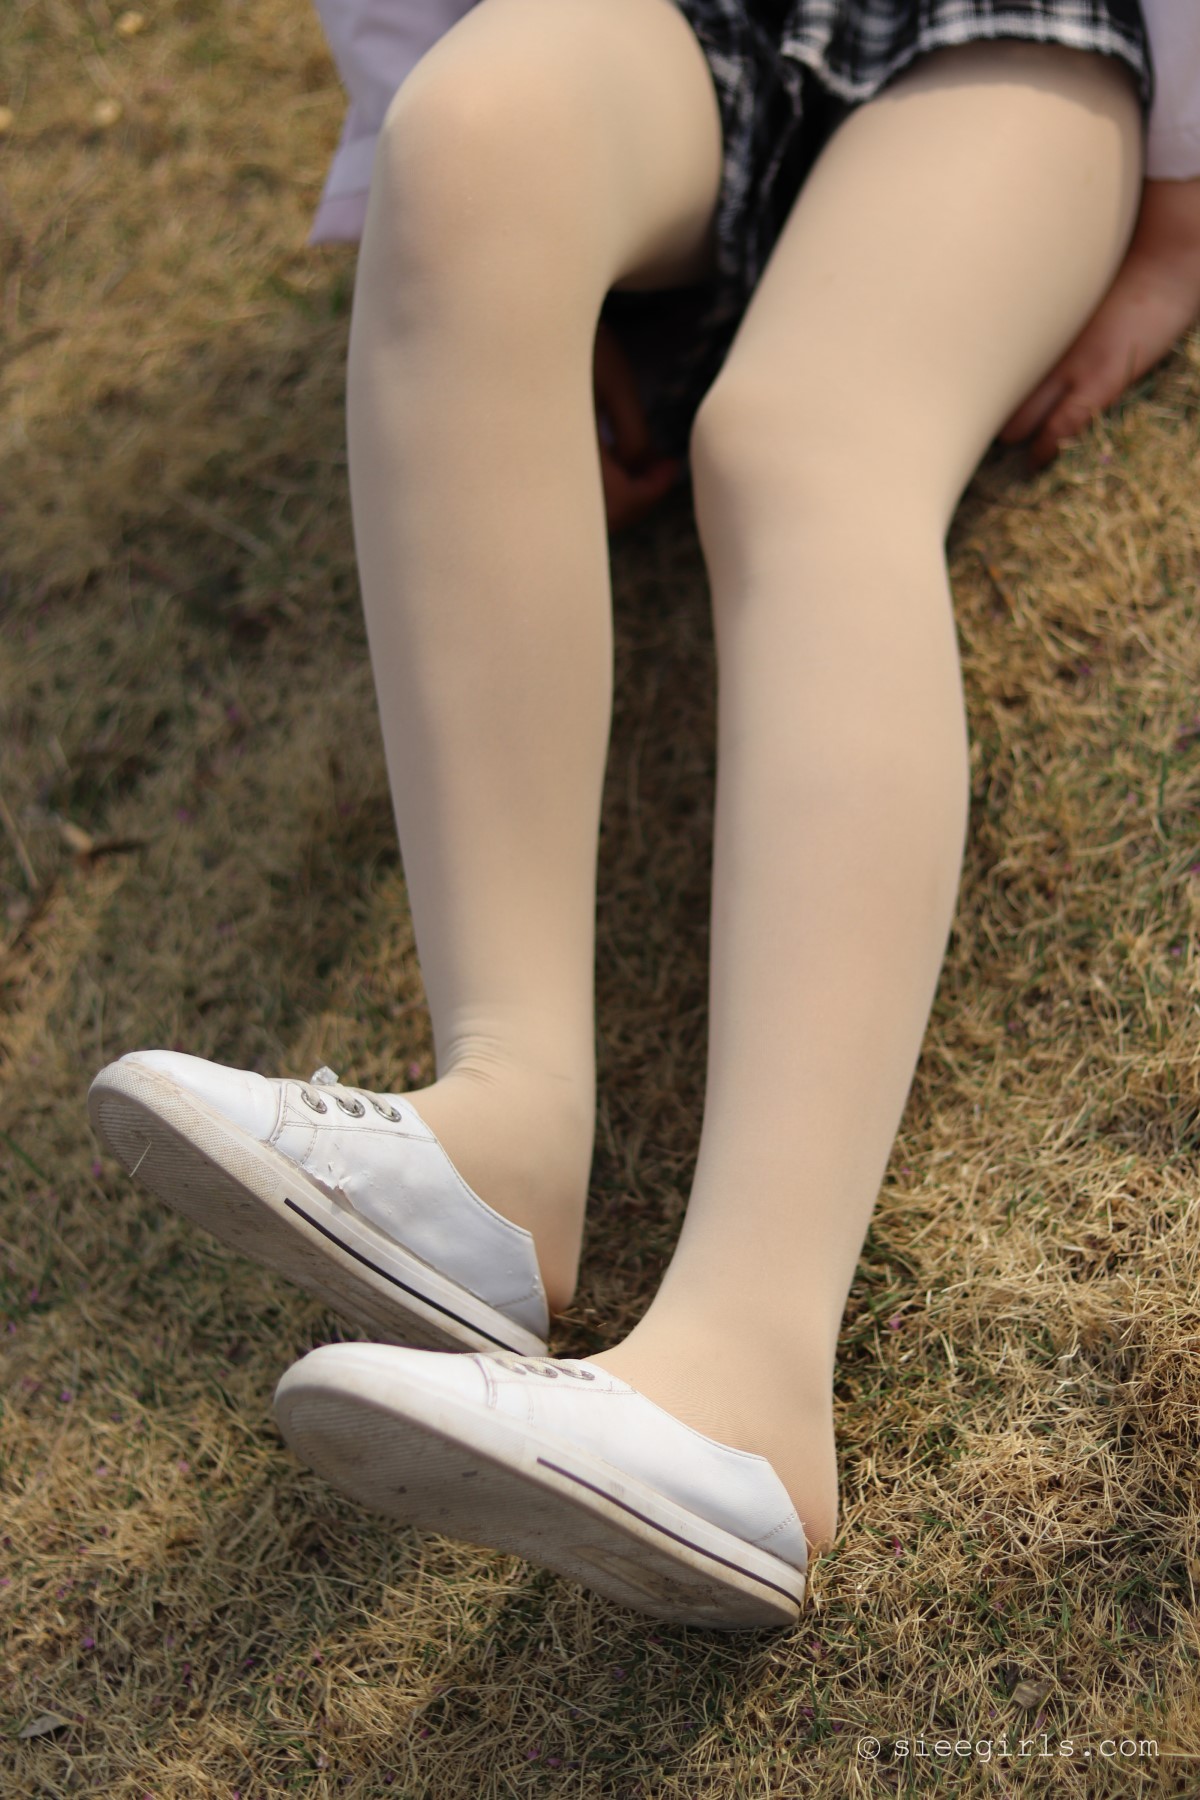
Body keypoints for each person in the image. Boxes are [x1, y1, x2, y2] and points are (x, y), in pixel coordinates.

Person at [89, 0, 1200, 1629]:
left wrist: (1185, 190)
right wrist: (505, 279)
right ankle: (498, 1140)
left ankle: (741, 1379)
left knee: (802, 441)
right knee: (464, 143)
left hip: (1006, 39)